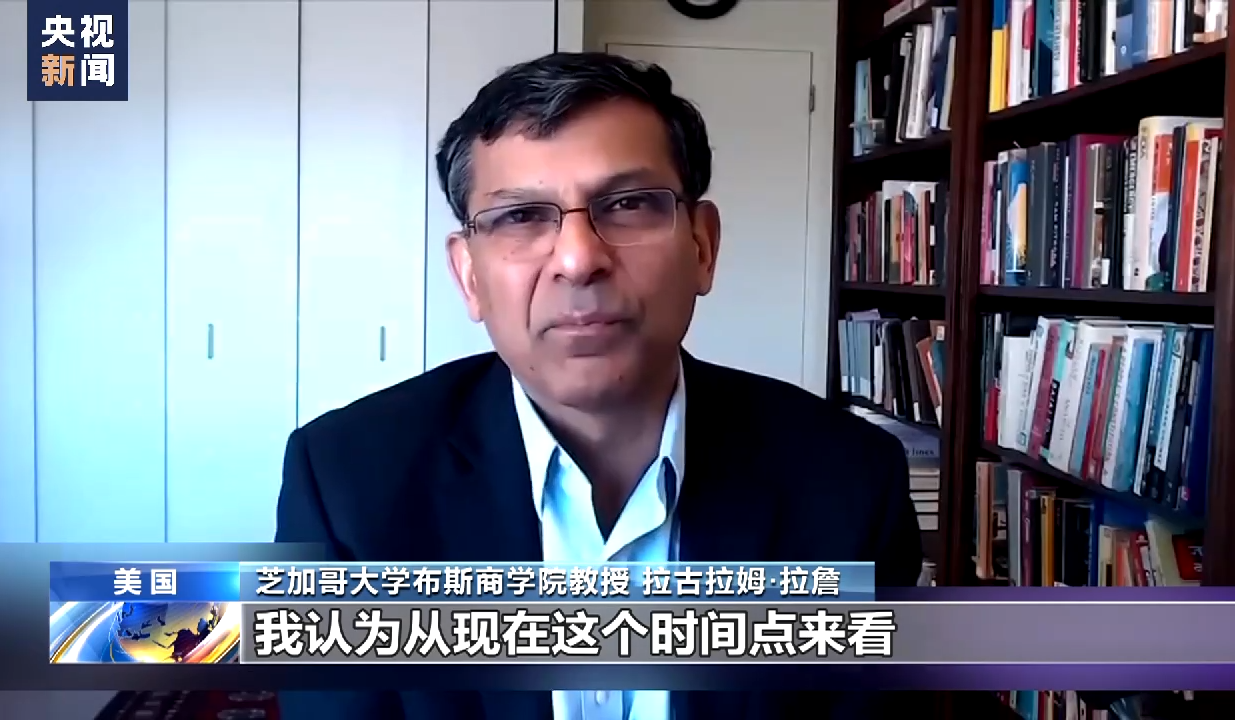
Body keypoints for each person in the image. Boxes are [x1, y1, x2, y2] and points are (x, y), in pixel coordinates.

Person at [276, 51, 923, 720]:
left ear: (702, 247)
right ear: (469, 275)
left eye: (629, 205)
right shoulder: (345, 482)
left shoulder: (850, 480)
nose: (579, 259)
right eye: (521, 217)